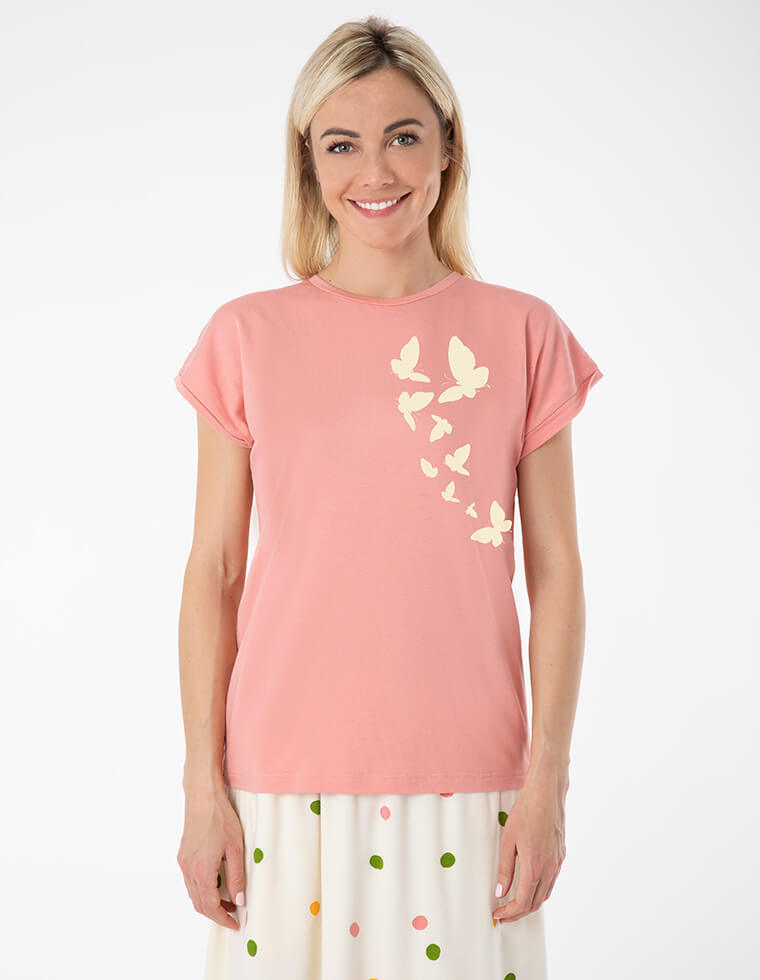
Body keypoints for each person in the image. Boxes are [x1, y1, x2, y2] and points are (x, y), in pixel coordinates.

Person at [174, 14, 603, 980]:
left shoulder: (522, 334)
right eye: (341, 144)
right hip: (280, 791)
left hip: (473, 787)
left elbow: (558, 575)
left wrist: (547, 784)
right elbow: (215, 572)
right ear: (308, 163)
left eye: (404, 136)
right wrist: (203, 787)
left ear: (448, 146)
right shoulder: (245, 338)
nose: (375, 170)